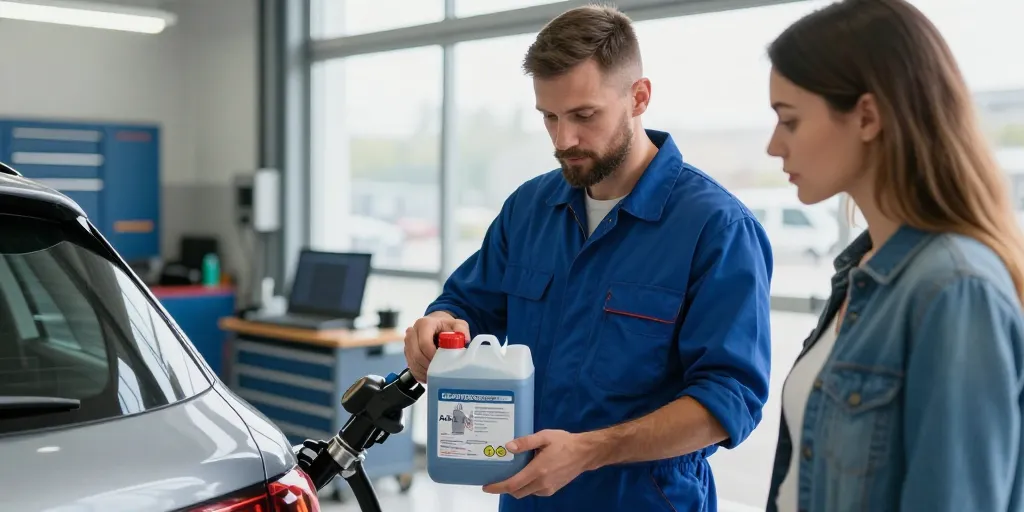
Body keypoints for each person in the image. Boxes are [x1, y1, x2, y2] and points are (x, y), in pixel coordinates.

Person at [403, 5, 773, 511]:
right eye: (549, 117)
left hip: (644, 501)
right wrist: (438, 323)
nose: (563, 140)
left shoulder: (717, 229)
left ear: (639, 97)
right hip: (529, 495)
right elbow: (468, 304)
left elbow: (729, 401)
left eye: (584, 115)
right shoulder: (530, 209)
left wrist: (588, 451)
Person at [762, 1, 1024, 511]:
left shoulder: (953, 288)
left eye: (789, 121)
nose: (774, 146)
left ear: (867, 116)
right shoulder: (860, 273)